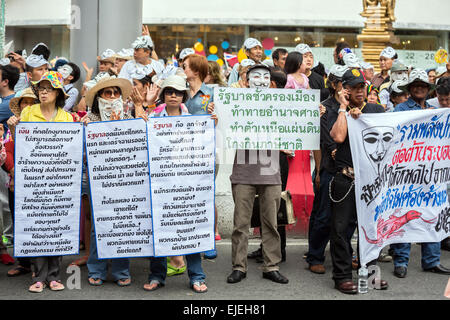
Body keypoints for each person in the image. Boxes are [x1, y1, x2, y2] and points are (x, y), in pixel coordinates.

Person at [143, 75, 213, 294]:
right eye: (169, 91)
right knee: (160, 229)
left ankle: (197, 276)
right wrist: (144, 105)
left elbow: (204, 147)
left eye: (178, 92)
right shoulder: (151, 118)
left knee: (189, 230)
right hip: (161, 184)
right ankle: (156, 276)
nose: (173, 95)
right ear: (163, 95)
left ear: (183, 95)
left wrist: (214, 122)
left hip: (187, 184)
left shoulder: (194, 119)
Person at [10, 71, 74, 293]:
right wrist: (12, 128)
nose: (44, 92)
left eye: (48, 88)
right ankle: (39, 276)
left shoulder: (67, 118)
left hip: (59, 181)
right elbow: (20, 145)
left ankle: (54, 275)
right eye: (41, 89)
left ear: (58, 93)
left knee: (56, 226)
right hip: (34, 180)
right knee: (38, 226)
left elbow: (70, 151)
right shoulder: (28, 112)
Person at [227, 63, 288, 285]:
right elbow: (223, 125)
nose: (260, 81)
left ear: (270, 82)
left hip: (270, 171)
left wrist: (312, 114)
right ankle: (238, 266)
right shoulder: (235, 103)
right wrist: (217, 111)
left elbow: (295, 125)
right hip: (243, 170)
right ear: (246, 81)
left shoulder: (280, 105)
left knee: (271, 222)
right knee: (240, 224)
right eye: (255, 77)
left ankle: (271, 265)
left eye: (265, 77)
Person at [328, 68, 389, 294]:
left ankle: (370, 273)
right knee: (341, 229)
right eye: (354, 87)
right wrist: (343, 109)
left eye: (362, 86)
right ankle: (342, 276)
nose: (360, 91)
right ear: (345, 89)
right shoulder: (335, 109)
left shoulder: (376, 109)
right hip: (347, 178)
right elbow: (338, 137)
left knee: (371, 228)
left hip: (371, 180)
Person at [391, 69, 450, 278]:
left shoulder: (437, 110)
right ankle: (401, 262)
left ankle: (432, 261)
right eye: (415, 85)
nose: (419, 88)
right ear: (410, 88)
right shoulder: (399, 110)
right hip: (406, 175)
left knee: (432, 214)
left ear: (428, 89)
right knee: (405, 216)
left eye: (423, 85)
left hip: (432, 174)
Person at [306, 64, 358, 274]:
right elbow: (327, 140)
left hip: (351, 172)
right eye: (346, 86)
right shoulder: (325, 107)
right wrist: (319, 170)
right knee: (324, 216)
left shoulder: (357, 107)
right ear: (337, 86)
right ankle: (315, 256)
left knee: (349, 220)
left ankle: (344, 254)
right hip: (330, 169)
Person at [84, 73, 134, 286]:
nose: (113, 96)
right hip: (99, 182)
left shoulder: (129, 120)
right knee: (99, 225)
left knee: (121, 223)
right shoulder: (90, 121)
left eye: (116, 93)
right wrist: (82, 129)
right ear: (99, 98)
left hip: (125, 181)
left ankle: (122, 271)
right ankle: (97, 269)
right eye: (108, 92)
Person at [248, 67, 290, 264]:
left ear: (273, 84)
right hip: (262, 157)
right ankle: (267, 247)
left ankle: (277, 250)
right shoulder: (259, 102)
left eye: (267, 79)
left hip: (276, 159)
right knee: (264, 203)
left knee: (274, 204)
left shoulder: (284, 104)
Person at [5, 87, 38, 276]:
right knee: (19, 220)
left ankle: (39, 264)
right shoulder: (13, 123)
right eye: (24, 102)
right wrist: (14, 172)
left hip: (37, 182)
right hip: (16, 182)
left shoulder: (44, 125)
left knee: (38, 220)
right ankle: (24, 262)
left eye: (31, 102)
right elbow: (6, 152)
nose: (27, 105)